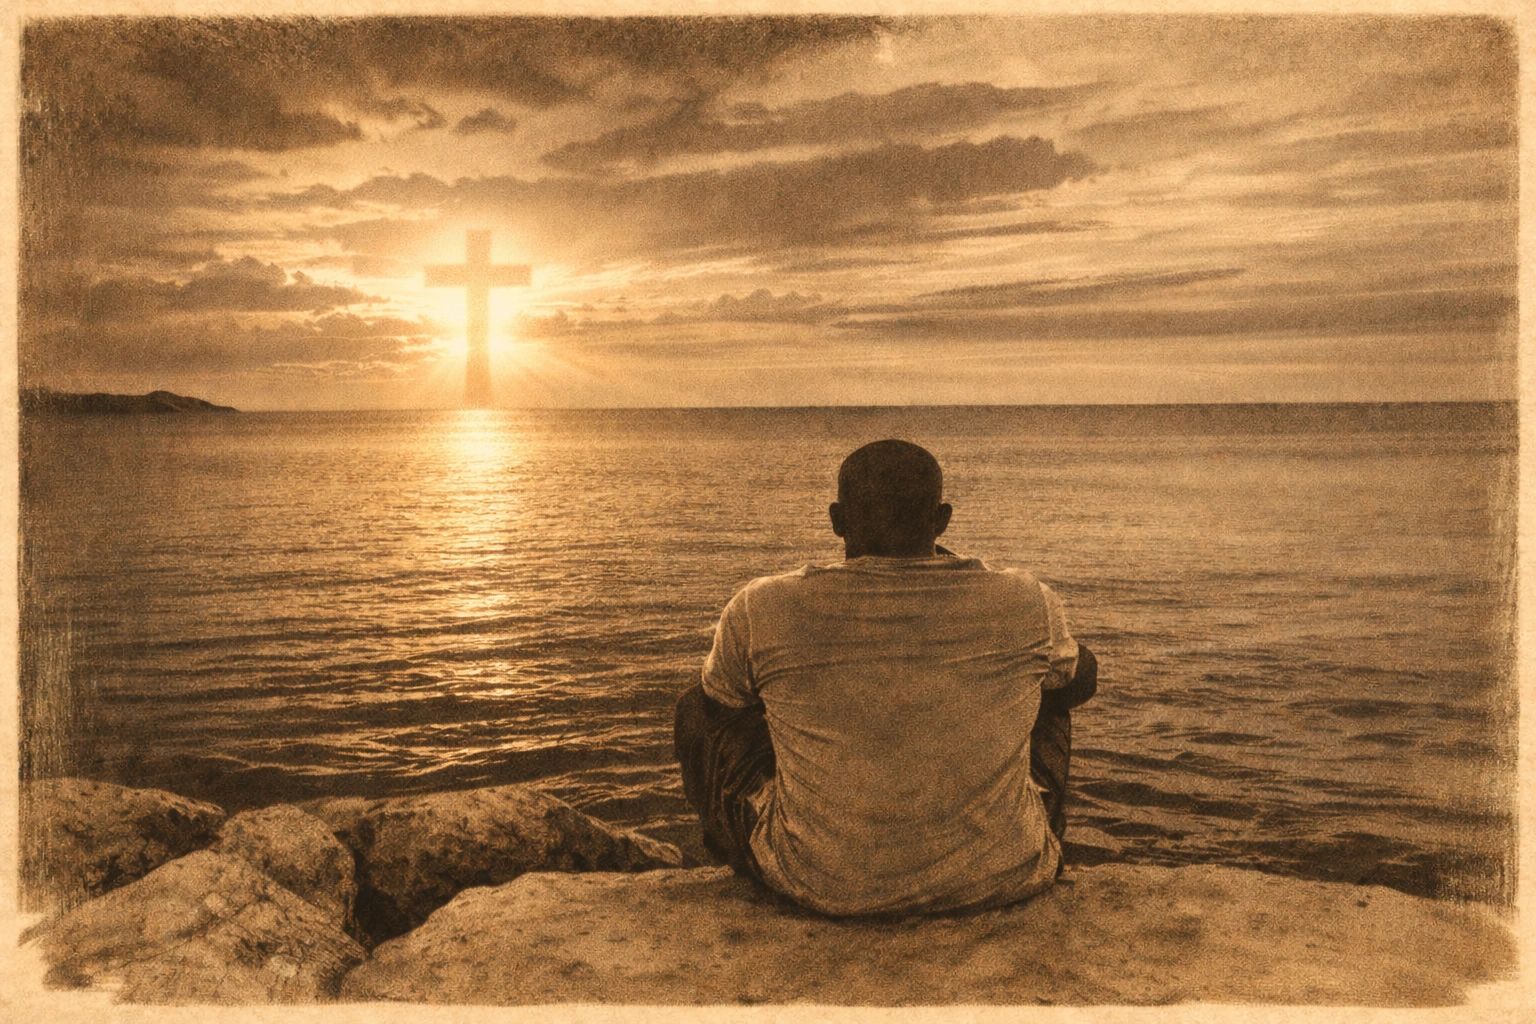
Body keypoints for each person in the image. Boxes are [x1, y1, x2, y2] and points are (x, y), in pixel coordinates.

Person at [674, 438, 1098, 917]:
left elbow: (718, 702)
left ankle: (748, 849)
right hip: (1004, 877)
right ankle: (1013, 836)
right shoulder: (1023, 600)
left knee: (699, 705)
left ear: (837, 520)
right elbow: (1083, 682)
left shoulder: (763, 605)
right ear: (941, 519)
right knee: (1054, 691)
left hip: (820, 882)